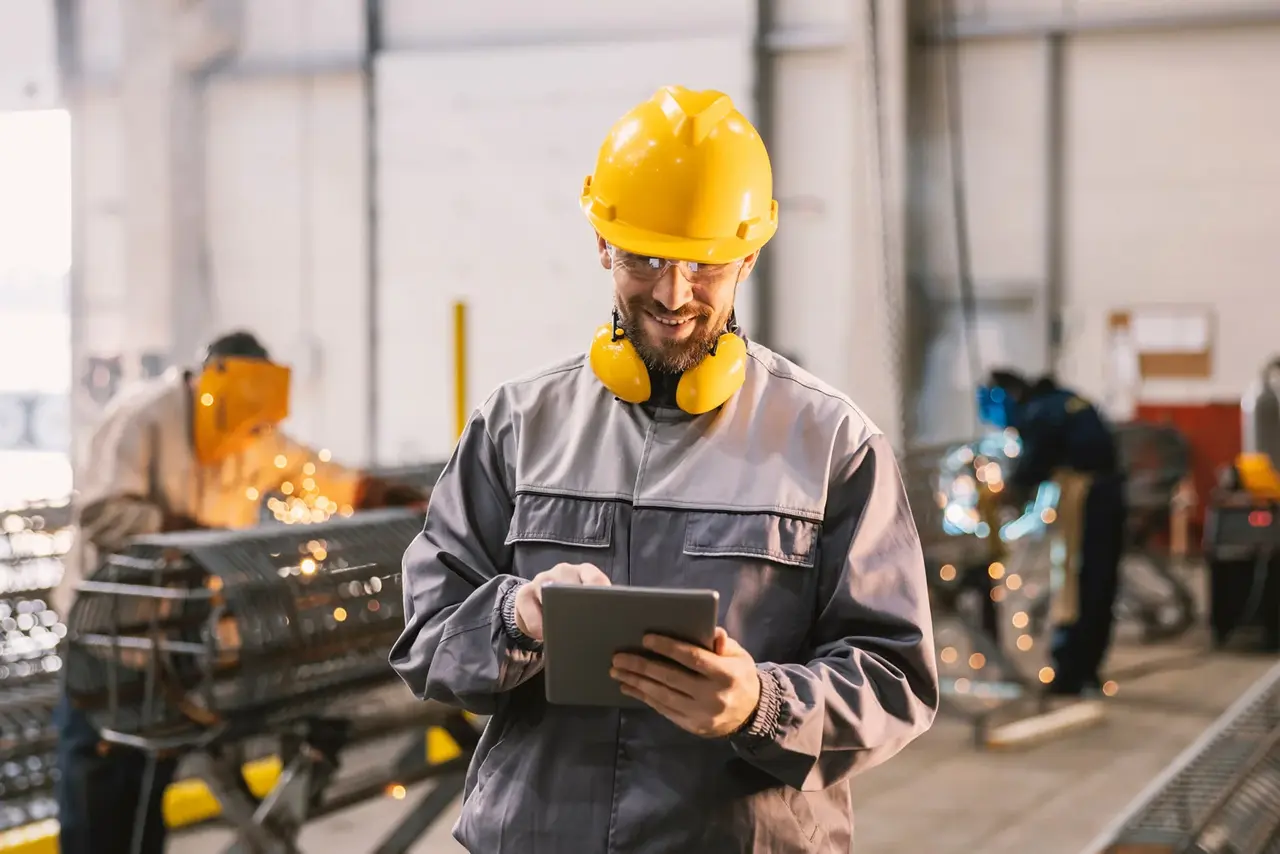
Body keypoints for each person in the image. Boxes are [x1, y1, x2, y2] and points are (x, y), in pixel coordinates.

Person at [389, 85, 939, 853]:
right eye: (645, 259)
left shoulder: (832, 444)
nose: (674, 295)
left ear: (748, 256)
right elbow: (426, 637)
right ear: (602, 244)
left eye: (704, 265)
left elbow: (894, 678)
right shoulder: (516, 427)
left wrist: (763, 703)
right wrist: (518, 618)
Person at [53, 330, 423, 854]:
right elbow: (101, 513)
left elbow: (310, 472)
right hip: (107, 634)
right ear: (210, 383)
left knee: (151, 783)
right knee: (99, 782)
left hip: (176, 633)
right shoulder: (142, 418)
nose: (254, 435)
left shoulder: (251, 428)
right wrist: (191, 536)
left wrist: (377, 494)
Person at [977, 368, 1128, 697]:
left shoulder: (1040, 413)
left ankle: (1071, 673)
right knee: (1097, 585)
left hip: (1088, 503)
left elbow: (1033, 464)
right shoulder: (1063, 401)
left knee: (1074, 584)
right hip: (1110, 496)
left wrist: (1005, 494)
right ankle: (1087, 669)